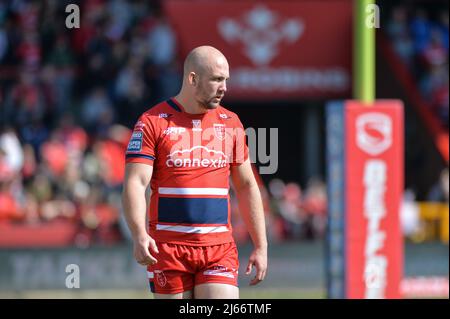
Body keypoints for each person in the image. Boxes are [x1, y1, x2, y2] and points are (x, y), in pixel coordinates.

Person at [121, 46, 267, 299]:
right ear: (192, 79)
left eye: (226, 80)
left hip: (218, 248)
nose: (224, 87)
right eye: (217, 79)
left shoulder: (230, 122)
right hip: (167, 248)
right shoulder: (152, 121)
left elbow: (246, 185)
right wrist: (138, 234)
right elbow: (135, 182)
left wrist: (261, 245)